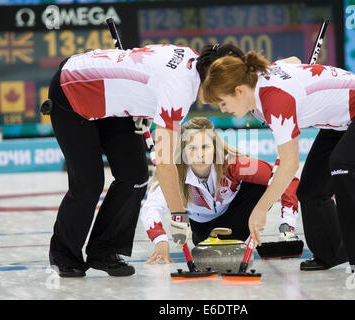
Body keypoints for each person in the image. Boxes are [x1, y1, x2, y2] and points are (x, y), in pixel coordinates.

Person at [46, 43, 251, 277]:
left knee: (135, 176)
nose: (221, 101)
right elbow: (165, 166)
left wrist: (144, 106)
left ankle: (104, 250)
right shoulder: (180, 89)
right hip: (74, 89)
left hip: (112, 101)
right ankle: (64, 255)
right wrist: (178, 215)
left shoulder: (192, 59)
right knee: (88, 183)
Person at [202, 51, 355, 277]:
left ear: (239, 90)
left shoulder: (275, 99)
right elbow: (293, 61)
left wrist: (259, 210)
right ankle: (332, 252)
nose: (223, 109)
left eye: (222, 102)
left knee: (343, 165)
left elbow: (289, 164)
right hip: (341, 121)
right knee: (310, 190)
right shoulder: (258, 76)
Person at [140, 117, 300, 264]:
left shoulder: (234, 165)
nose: (199, 155)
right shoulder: (173, 173)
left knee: (263, 184)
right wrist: (160, 241)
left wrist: (287, 225)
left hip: (239, 220)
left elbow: (287, 179)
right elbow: (151, 208)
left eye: (205, 147)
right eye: (192, 148)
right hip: (202, 231)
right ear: (183, 151)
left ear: (215, 148)